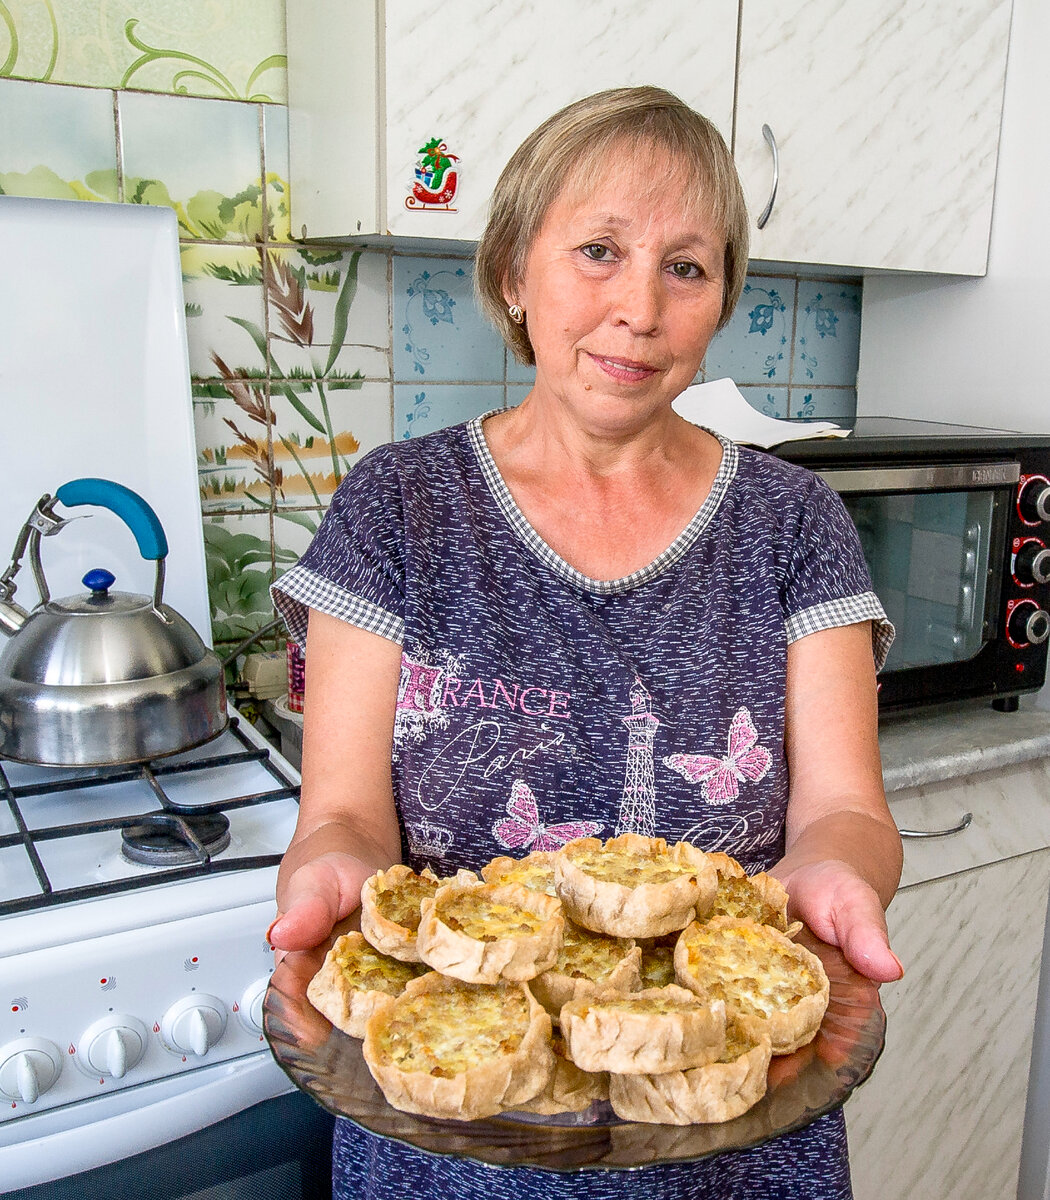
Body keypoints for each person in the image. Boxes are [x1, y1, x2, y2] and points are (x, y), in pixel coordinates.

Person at [269, 85, 904, 1200]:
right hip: (453, 1133)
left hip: (735, 1124)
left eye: (687, 267)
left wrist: (839, 871)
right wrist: (330, 870)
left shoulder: (796, 523)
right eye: (598, 251)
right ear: (514, 273)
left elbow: (844, 808)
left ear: (722, 302)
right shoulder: (394, 511)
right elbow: (346, 813)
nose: (641, 309)